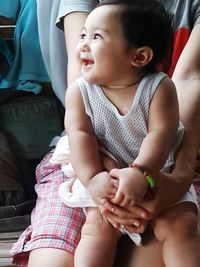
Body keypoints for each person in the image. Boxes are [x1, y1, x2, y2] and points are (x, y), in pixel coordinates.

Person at [10, 1, 200, 267]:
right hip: (96, 169)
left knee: (182, 225)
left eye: (96, 37)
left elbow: (162, 134)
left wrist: (142, 173)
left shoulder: (159, 87)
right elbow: (79, 135)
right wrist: (93, 179)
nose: (83, 45)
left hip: (157, 172)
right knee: (98, 226)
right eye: (83, 35)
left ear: (139, 57)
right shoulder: (81, 90)